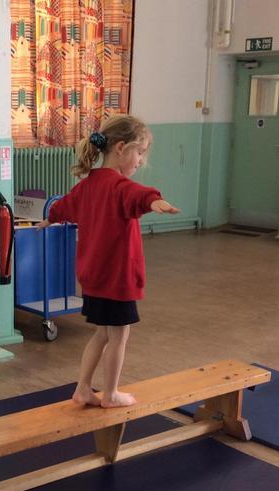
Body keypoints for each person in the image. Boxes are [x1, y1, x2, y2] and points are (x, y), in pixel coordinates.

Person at [43, 115, 179, 408]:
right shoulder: (118, 186)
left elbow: (64, 205)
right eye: (139, 152)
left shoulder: (88, 185)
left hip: (94, 279)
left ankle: (83, 389)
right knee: (119, 336)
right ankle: (111, 393)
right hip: (116, 280)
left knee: (102, 333)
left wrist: (49, 218)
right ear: (120, 148)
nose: (140, 161)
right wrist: (155, 201)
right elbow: (139, 194)